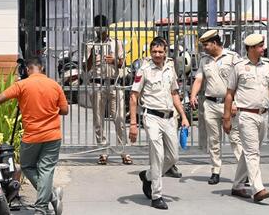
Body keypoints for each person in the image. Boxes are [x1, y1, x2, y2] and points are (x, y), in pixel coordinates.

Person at [0, 57, 66, 215]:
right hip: (53, 135)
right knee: (46, 170)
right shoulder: (55, 85)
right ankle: (49, 196)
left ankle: (42, 206)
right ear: (42, 69)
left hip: (32, 136)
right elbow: (64, 110)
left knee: (27, 166)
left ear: (27, 69)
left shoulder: (22, 85)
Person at [223, 33, 269, 202]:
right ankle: (258, 189)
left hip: (263, 115)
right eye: (260, 46)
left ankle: (237, 185)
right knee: (253, 153)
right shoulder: (238, 67)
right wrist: (227, 118)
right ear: (251, 48)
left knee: (249, 152)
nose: (263, 49)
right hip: (246, 115)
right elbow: (229, 94)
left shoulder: (266, 66)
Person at [128, 37, 190, 210]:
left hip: (169, 117)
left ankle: (147, 176)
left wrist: (184, 117)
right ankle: (157, 195)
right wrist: (133, 124)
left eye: (160, 51)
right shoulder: (144, 69)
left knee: (173, 157)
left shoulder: (170, 68)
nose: (157, 54)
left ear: (165, 52)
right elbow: (133, 97)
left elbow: (175, 93)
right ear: (150, 52)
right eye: (154, 51)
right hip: (151, 117)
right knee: (158, 156)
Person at [190, 30, 243, 185]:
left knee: (235, 138)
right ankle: (215, 170)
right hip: (211, 104)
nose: (204, 48)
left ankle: (244, 172)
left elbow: (242, 81)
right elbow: (199, 79)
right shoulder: (204, 60)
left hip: (229, 104)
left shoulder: (233, 57)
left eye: (206, 44)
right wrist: (193, 95)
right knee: (213, 140)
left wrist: (236, 102)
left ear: (214, 43)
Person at [85, 14, 132, 165]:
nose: (101, 31)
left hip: (114, 83)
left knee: (119, 118)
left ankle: (123, 151)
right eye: (98, 28)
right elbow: (85, 68)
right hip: (97, 84)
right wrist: (92, 54)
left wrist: (114, 60)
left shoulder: (116, 43)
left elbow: (123, 64)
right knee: (98, 120)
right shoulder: (90, 45)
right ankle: (103, 152)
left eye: (103, 28)